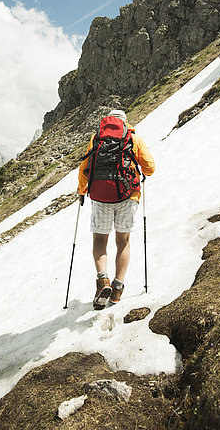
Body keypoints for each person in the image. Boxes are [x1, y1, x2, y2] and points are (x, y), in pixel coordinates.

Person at [78, 109, 155, 309]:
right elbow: (150, 168)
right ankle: (117, 289)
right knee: (123, 241)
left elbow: (84, 167)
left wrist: (81, 190)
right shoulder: (133, 138)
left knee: (100, 239)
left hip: (101, 196)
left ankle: (102, 279)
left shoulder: (96, 138)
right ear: (124, 123)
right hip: (128, 196)